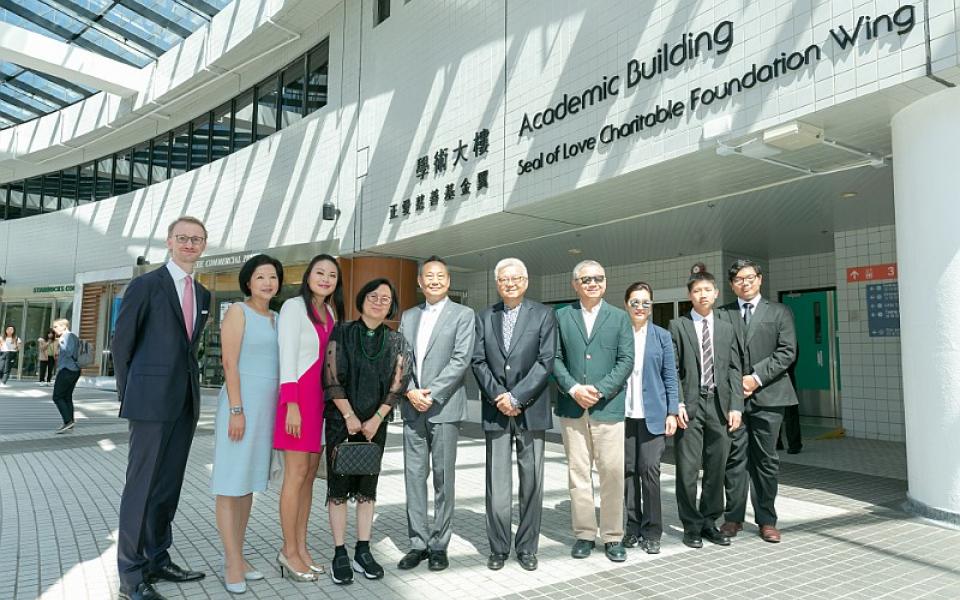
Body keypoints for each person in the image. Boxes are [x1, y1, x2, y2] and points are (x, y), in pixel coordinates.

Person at [113, 216, 212, 600]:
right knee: (141, 488)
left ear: (204, 245)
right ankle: (131, 576)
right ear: (169, 242)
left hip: (185, 402)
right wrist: (132, 395)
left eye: (197, 239)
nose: (190, 244)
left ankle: (157, 558)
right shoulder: (146, 285)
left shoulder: (203, 295)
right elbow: (123, 345)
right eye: (183, 238)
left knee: (167, 487)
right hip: (149, 404)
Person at [323, 278, 409, 585]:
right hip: (340, 422)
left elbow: (399, 383)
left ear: (391, 305)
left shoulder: (397, 340)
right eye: (373, 296)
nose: (378, 301)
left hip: (375, 426)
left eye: (385, 299)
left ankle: (362, 549)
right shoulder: (343, 332)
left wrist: (376, 419)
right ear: (362, 299)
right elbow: (331, 376)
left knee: (366, 489)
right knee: (338, 489)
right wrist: (348, 415)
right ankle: (339, 552)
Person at [472, 258, 556, 571]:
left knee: (532, 482)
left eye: (516, 278)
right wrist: (500, 397)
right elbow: (478, 361)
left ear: (526, 281)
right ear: (497, 283)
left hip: (530, 409)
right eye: (504, 279)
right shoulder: (484, 317)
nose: (510, 283)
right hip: (496, 412)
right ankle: (498, 547)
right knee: (497, 483)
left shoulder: (544, 314)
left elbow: (546, 360)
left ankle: (527, 547)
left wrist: (518, 396)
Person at [210, 255, 284, 594]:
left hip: (267, 409)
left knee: (248, 483)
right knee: (230, 482)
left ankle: (239, 554)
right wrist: (236, 409)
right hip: (242, 405)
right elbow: (229, 362)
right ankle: (231, 561)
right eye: (260, 277)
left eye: (273, 277)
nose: (268, 283)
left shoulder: (278, 318)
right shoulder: (238, 312)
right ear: (248, 282)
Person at [397, 256, 475, 572]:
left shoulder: (463, 314)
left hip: (443, 407)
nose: (434, 280)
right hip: (413, 407)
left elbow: (461, 359)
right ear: (420, 282)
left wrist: (431, 393)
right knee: (414, 478)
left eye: (440, 275)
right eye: (428, 276)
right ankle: (418, 542)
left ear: (448, 280)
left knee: (444, 478)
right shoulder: (409, 315)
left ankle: (439, 543)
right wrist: (411, 391)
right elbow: (401, 358)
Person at [552, 260, 634, 562]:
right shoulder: (561, 316)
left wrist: (598, 390)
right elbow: (554, 358)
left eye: (598, 278)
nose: (592, 284)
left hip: (608, 408)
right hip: (572, 408)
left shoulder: (619, 318)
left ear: (605, 282)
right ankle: (584, 534)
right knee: (578, 474)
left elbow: (626, 361)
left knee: (612, 474)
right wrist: (574, 389)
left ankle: (613, 536)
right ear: (575, 284)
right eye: (585, 279)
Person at [274, 254, 343, 583]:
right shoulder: (293, 307)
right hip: (297, 400)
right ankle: (288, 551)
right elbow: (287, 355)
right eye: (320, 272)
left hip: (319, 403)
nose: (326, 278)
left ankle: (301, 548)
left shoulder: (330, 311)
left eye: (332, 274)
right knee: (295, 475)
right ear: (308, 275)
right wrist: (291, 404)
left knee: (308, 478)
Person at [718, 259, 798, 544]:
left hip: (770, 396)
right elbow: (719, 355)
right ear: (731, 285)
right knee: (734, 460)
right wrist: (737, 384)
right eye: (738, 279)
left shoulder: (779, 311)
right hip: (734, 400)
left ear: (760, 279)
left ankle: (766, 520)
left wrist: (755, 378)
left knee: (766, 461)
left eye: (749, 277)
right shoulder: (722, 314)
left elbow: (787, 352)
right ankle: (733, 518)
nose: (745, 283)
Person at [670, 263, 743, 550]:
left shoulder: (726, 328)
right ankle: (691, 525)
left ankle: (709, 521)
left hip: (721, 405)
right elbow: (672, 369)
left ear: (715, 293)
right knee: (687, 469)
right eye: (697, 290)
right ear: (690, 295)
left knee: (717, 466)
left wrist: (736, 405)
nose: (702, 295)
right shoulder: (678, 326)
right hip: (689, 403)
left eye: (707, 290)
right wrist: (676, 402)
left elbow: (736, 369)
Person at [621, 282, 680, 555]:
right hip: (623, 416)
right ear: (626, 305)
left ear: (651, 306)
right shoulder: (618, 334)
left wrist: (672, 411)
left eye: (646, 302)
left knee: (650, 470)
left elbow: (670, 376)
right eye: (635, 302)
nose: (640, 307)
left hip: (653, 415)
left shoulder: (662, 336)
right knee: (628, 471)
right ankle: (632, 528)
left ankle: (653, 530)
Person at [51, 319, 81, 434]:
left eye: (56, 326)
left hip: (67, 370)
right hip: (74, 370)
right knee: (67, 396)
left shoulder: (67, 336)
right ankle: (70, 422)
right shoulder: (72, 336)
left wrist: (61, 343)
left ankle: (68, 421)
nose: (54, 329)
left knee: (57, 397)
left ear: (64, 327)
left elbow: (69, 351)